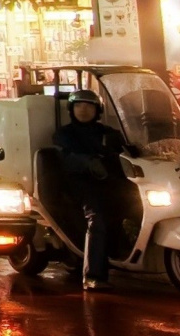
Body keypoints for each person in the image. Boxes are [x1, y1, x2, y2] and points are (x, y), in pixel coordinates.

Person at [51, 91, 136, 289]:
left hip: (110, 183)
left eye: (89, 106)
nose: (83, 110)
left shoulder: (108, 133)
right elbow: (66, 157)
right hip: (80, 184)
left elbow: (127, 150)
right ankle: (93, 276)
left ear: (97, 110)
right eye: (78, 106)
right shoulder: (65, 134)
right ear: (71, 110)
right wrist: (88, 163)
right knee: (97, 219)